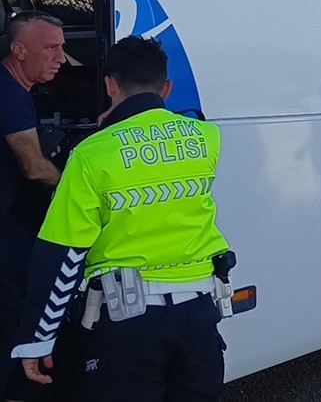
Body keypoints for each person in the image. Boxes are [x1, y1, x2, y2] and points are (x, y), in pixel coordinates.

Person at [10, 36, 233, 401]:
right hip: (198, 317)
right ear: (167, 87)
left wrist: (39, 337)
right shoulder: (207, 138)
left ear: (109, 84)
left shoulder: (92, 153)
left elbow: (63, 253)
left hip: (127, 322)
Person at [1, 11, 66, 402]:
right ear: (19, 49)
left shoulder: (15, 89)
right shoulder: (9, 93)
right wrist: (77, 185)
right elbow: (33, 168)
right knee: (12, 314)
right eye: (52, 48)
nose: (61, 56)